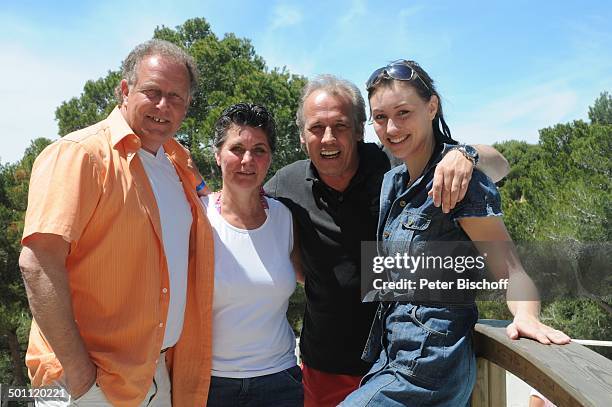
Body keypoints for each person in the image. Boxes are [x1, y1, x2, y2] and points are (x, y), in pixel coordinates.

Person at [264, 74, 510, 406]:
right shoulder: (286, 184)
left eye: (339, 126)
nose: (328, 138)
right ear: (301, 135)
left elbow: (500, 165)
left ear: (358, 131)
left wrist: (466, 155)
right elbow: (242, 213)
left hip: (398, 361)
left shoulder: (395, 166)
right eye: (316, 128)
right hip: (324, 365)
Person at [340, 60, 571, 406]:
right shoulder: (393, 181)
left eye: (404, 112)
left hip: (430, 368)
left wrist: (525, 315)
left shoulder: (461, 180)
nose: (391, 127)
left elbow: (511, 270)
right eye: (381, 117)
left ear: (431, 107)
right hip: (390, 358)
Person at [19, 39, 214, 406]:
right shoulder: (81, 154)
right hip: (92, 385)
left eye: (176, 97)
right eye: (152, 92)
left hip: (155, 376)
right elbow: (38, 263)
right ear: (124, 90)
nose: (163, 106)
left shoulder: (178, 167)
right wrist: (81, 380)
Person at [200, 103, 303, 406]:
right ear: (217, 154)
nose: (247, 160)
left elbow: (317, 280)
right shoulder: (196, 217)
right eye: (237, 149)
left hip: (280, 381)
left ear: (270, 158)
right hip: (211, 385)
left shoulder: (285, 218)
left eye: (259, 150)